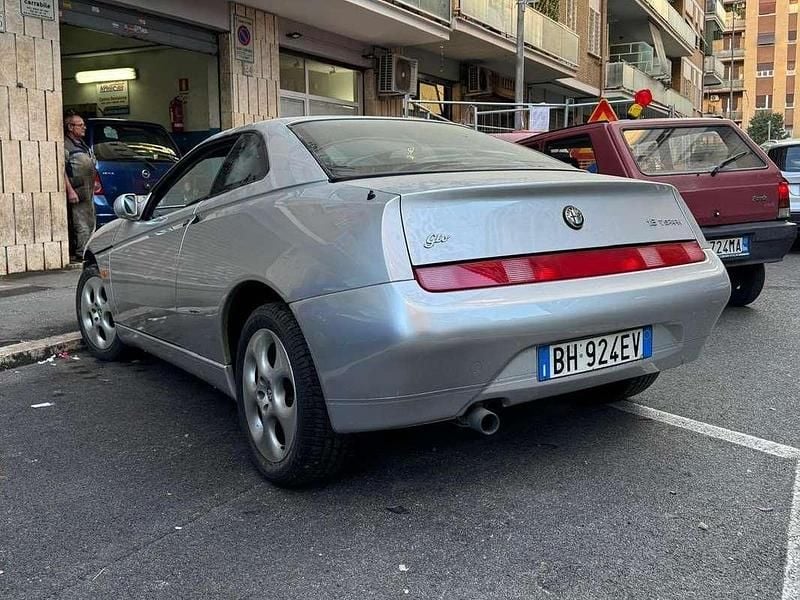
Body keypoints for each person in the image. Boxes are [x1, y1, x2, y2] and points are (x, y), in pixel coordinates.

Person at [63, 112, 97, 260]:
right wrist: (70, 191)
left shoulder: (81, 144)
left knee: (90, 221)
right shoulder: (65, 145)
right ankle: (81, 252)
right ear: (70, 127)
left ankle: (88, 250)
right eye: (80, 125)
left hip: (87, 188)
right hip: (76, 190)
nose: (84, 127)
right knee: (80, 223)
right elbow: (61, 169)